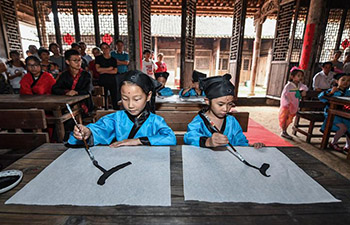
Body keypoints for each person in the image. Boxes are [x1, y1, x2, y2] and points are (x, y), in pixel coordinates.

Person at [68, 70, 176, 147]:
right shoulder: (115, 119)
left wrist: (137, 141)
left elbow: (170, 138)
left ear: (148, 96)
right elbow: (99, 130)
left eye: (136, 99)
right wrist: (87, 132)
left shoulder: (155, 121)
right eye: (125, 98)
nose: (130, 105)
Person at [184, 74, 264, 148]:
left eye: (229, 104)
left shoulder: (231, 121)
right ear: (207, 101)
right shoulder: (199, 121)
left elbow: (240, 141)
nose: (225, 109)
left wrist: (251, 146)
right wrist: (208, 141)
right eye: (220, 104)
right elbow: (190, 137)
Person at [51, 49, 93, 113]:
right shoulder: (64, 75)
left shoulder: (86, 75)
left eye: (79, 60)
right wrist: (67, 92)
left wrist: (76, 92)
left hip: (84, 103)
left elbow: (88, 90)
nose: (78, 63)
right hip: (67, 103)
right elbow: (55, 89)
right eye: (75, 61)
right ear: (68, 62)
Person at [318, 73, 350, 152]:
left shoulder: (348, 93)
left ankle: (348, 145)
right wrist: (330, 93)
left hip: (344, 114)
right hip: (332, 114)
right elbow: (321, 97)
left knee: (349, 126)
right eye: (343, 80)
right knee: (343, 127)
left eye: (348, 81)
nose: (346, 82)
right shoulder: (333, 90)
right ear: (337, 81)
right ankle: (333, 142)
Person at [279, 67, 308, 140]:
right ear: (292, 76)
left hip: (294, 105)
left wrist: (303, 90)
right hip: (287, 105)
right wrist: (286, 104)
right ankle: (284, 130)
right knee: (284, 118)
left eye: (301, 76)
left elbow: (305, 87)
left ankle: (285, 129)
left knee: (290, 119)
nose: (300, 78)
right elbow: (284, 95)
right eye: (298, 76)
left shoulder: (299, 85)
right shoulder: (288, 86)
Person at [95, 42, 119, 109]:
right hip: (103, 80)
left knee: (114, 97)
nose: (105, 49)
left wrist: (103, 70)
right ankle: (104, 110)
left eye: (106, 48)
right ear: (101, 50)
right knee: (103, 97)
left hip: (112, 80)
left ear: (109, 48)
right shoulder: (98, 58)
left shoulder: (113, 59)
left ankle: (115, 110)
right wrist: (109, 68)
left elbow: (115, 71)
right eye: (103, 48)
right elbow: (98, 69)